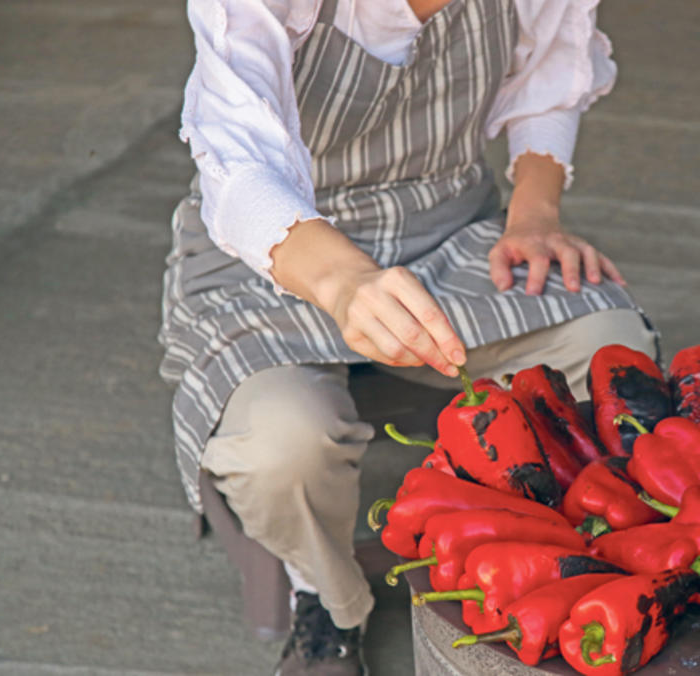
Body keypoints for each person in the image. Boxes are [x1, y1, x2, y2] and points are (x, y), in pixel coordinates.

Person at [158, 0, 658, 673]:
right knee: (281, 445)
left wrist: (533, 214)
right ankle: (329, 605)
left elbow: (551, 67)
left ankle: (525, 545)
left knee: (611, 352)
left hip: (447, 235)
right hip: (274, 258)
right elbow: (237, 164)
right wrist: (343, 282)